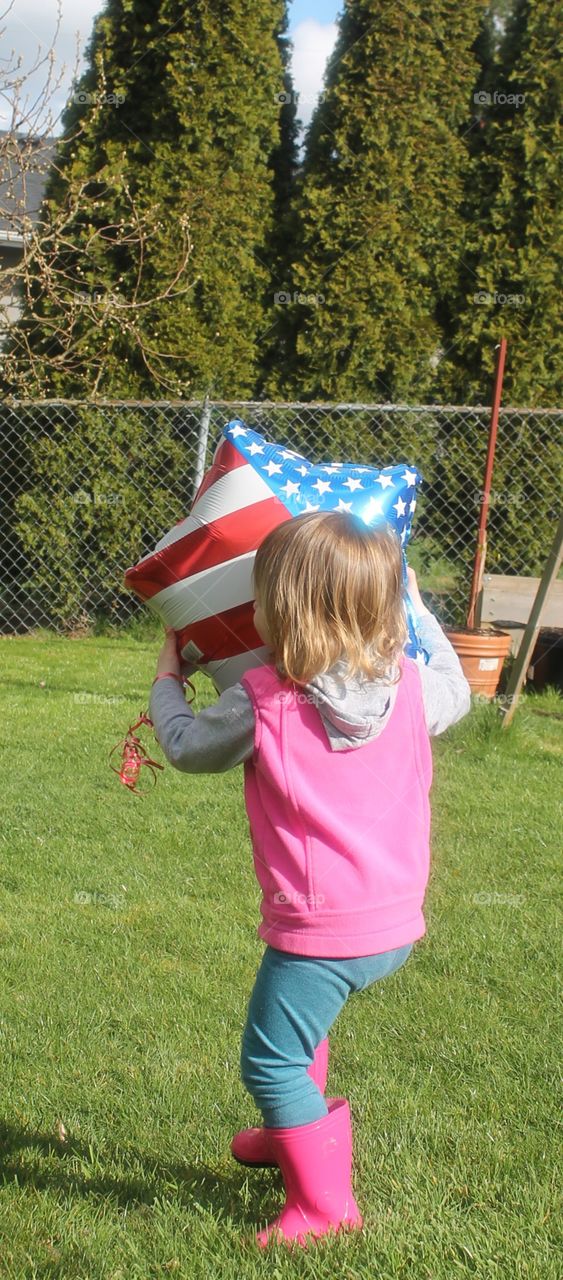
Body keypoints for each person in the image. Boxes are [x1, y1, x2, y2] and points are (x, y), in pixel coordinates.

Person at [148, 511, 471, 1248]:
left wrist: (169, 680)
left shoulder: (264, 697)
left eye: (260, 596)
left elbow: (188, 747)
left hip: (319, 931)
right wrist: (419, 611)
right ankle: (287, 1129)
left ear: (282, 612)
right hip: (391, 923)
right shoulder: (414, 690)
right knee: (299, 1034)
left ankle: (323, 1210)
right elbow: (456, 682)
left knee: (270, 1061)